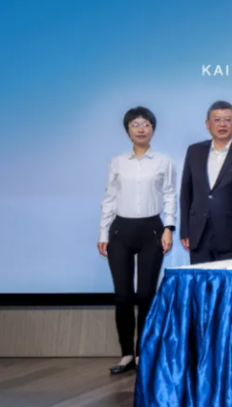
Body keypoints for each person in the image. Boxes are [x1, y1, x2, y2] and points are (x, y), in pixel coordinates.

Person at [97, 106, 175, 375]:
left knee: (146, 295)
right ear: (128, 130)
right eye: (135, 124)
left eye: (146, 124)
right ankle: (126, 354)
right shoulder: (117, 162)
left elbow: (170, 195)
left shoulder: (163, 161)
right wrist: (103, 233)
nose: (141, 129)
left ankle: (143, 352)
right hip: (120, 231)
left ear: (153, 129)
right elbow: (109, 198)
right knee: (123, 295)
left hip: (152, 230)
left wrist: (169, 228)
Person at [180, 100, 232, 264]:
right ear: (207, 124)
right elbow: (186, 193)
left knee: (229, 280)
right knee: (200, 279)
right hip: (198, 234)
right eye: (217, 120)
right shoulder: (194, 151)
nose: (222, 124)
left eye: (228, 120)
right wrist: (185, 230)